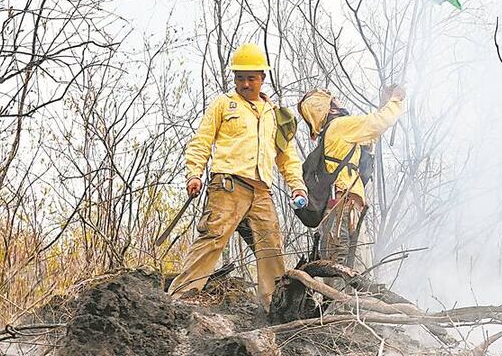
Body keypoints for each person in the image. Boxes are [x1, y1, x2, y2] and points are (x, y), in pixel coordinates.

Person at [168, 43, 307, 306]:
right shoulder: (224, 104)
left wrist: (297, 186)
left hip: (262, 192)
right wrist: (194, 174)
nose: (245, 84)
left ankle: (275, 307)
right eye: (240, 78)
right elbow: (201, 141)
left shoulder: (275, 115)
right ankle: (179, 300)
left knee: (271, 251)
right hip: (228, 186)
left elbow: (287, 156)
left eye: (251, 79)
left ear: (262, 79)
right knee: (213, 239)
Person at [296, 85, 405, 266]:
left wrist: (383, 103)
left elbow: (369, 137)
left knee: (350, 266)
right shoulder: (340, 126)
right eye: (335, 100)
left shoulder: (334, 131)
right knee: (341, 266)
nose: (339, 101)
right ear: (330, 107)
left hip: (344, 208)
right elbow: (378, 124)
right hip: (344, 208)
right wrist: (395, 100)